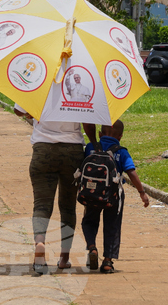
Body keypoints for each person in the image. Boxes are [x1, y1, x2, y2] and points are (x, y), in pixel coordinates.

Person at [13, 103, 96, 275]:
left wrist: (32, 110)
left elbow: (18, 110)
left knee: (41, 204)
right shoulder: (79, 80)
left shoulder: (39, 79)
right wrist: (95, 144)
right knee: (67, 207)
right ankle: (64, 258)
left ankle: (40, 244)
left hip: (43, 149)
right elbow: (88, 122)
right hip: (72, 151)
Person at [80, 120, 149, 274]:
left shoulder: (91, 147)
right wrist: (141, 192)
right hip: (114, 195)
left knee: (89, 221)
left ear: (99, 134)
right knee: (112, 225)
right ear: (121, 136)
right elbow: (131, 172)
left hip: (92, 193)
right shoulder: (121, 151)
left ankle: (92, 247)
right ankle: (107, 261)